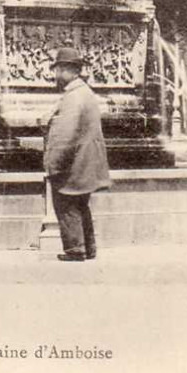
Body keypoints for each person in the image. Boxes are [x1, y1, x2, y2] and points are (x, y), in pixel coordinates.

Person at [45, 48, 111, 262]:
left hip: (73, 163)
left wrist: (53, 164)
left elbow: (65, 135)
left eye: (58, 70)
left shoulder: (73, 97)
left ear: (68, 70)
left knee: (65, 203)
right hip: (86, 162)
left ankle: (75, 249)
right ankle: (88, 247)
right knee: (81, 204)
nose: (55, 76)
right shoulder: (86, 92)